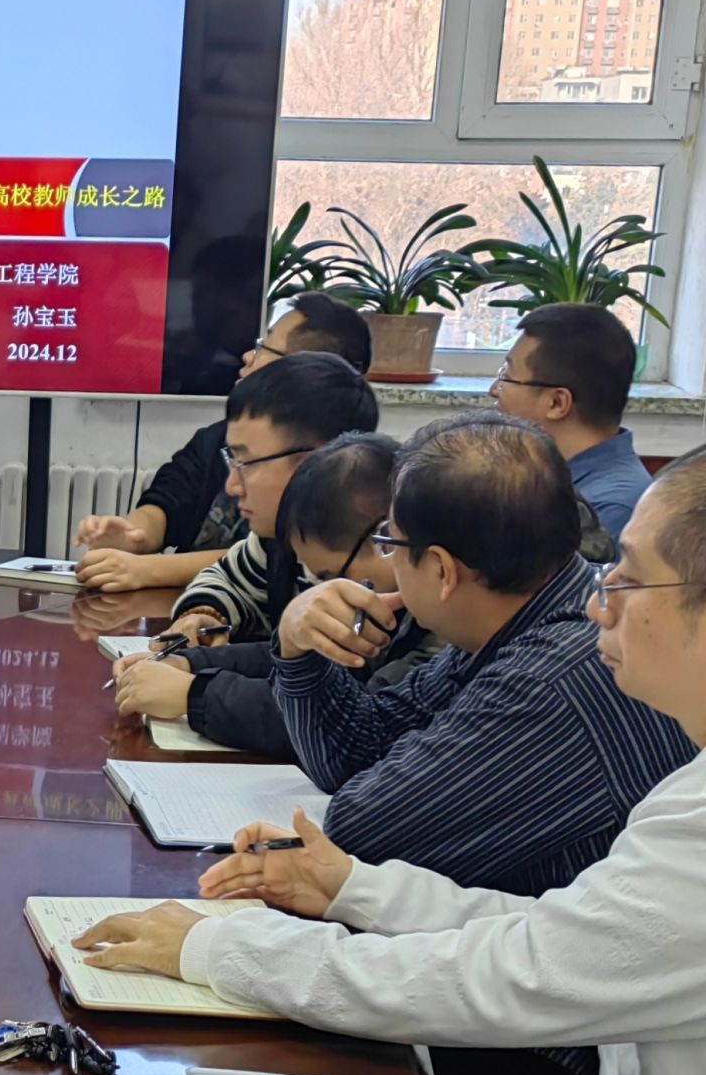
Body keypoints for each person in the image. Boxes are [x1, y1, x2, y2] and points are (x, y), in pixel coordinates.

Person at [74, 446, 706, 1075]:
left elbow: (505, 972)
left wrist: (218, 949)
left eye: (628, 581)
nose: (598, 605)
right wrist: (353, 888)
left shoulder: (572, 688)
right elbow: (558, 931)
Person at [250, 410, 691, 897]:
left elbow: (362, 831)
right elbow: (358, 750)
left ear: (442, 570)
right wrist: (296, 646)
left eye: (390, 541)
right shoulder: (513, 617)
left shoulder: (552, 677)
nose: (608, 594)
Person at [112, 433, 442, 756]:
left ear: (387, 539)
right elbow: (307, 667)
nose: (321, 592)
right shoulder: (297, 543)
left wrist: (193, 695)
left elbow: (353, 721)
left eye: (329, 576)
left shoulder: (440, 627)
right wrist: (190, 662)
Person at [77, 293, 372, 594]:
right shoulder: (219, 437)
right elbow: (169, 498)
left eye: (264, 347)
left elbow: (267, 559)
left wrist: (148, 569)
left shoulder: (341, 475)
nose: (248, 356)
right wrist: (133, 536)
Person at [151, 351, 380, 646]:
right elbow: (225, 579)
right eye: (232, 461)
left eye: (245, 463)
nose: (232, 486)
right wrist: (203, 616)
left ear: (315, 463)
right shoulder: (274, 540)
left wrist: (203, 676)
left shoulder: (381, 560)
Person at [489, 302, 650, 545]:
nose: (493, 390)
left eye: (506, 377)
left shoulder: (609, 509)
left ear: (557, 403)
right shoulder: (545, 479)